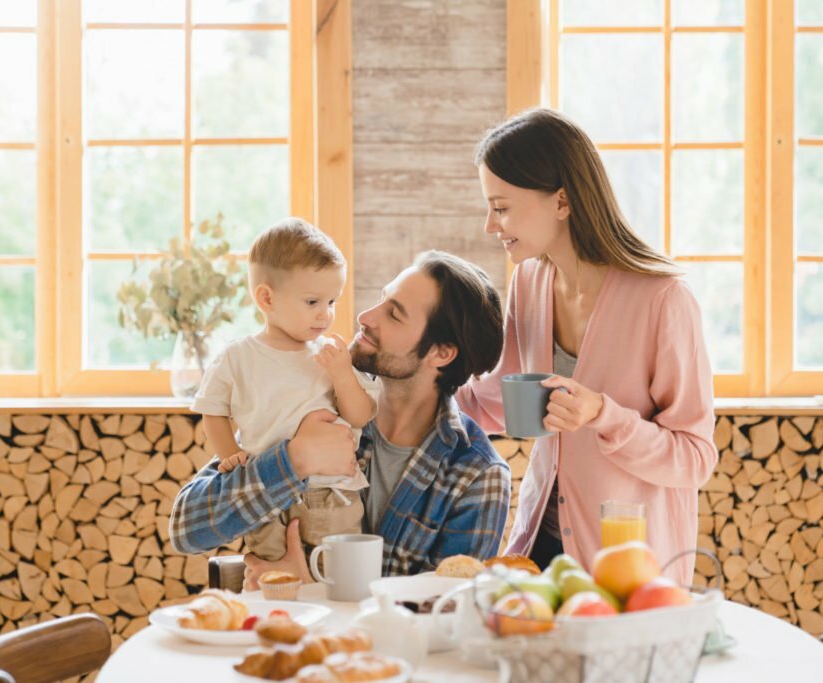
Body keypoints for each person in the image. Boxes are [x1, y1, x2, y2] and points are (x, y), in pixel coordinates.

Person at [455, 108, 718, 584]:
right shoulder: (530, 282)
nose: (490, 227)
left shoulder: (663, 300)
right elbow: (495, 402)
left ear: (562, 201)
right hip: (541, 544)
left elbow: (695, 458)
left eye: (501, 207)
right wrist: (401, 386)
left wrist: (603, 415)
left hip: (628, 566)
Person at [170, 251, 512, 585]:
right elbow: (187, 530)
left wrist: (315, 589)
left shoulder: (477, 475)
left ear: (441, 353)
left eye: (393, 314)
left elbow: (445, 616)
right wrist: (293, 460)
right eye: (381, 299)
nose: (366, 316)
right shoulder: (317, 397)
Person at [190, 217, 378, 564]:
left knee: (333, 575)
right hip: (265, 492)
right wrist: (230, 453)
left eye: (332, 302)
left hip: (331, 492)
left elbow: (361, 415)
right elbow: (213, 408)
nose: (326, 314)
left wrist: (342, 375)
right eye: (312, 302)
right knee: (273, 575)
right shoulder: (237, 357)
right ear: (266, 298)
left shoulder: (332, 355)